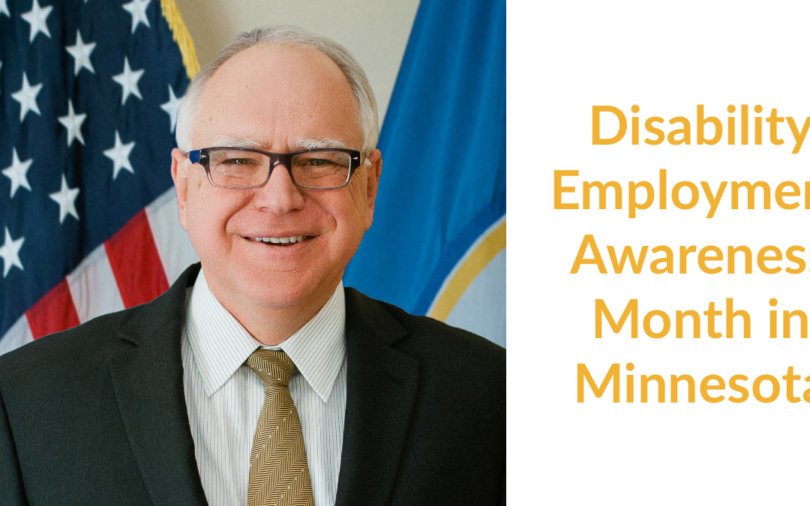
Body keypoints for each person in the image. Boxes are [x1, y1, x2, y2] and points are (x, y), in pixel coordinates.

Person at [0, 26, 504, 505]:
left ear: (368, 187)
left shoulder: (491, 395)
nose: (280, 198)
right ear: (184, 184)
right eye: (237, 160)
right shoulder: (28, 403)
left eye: (320, 160)